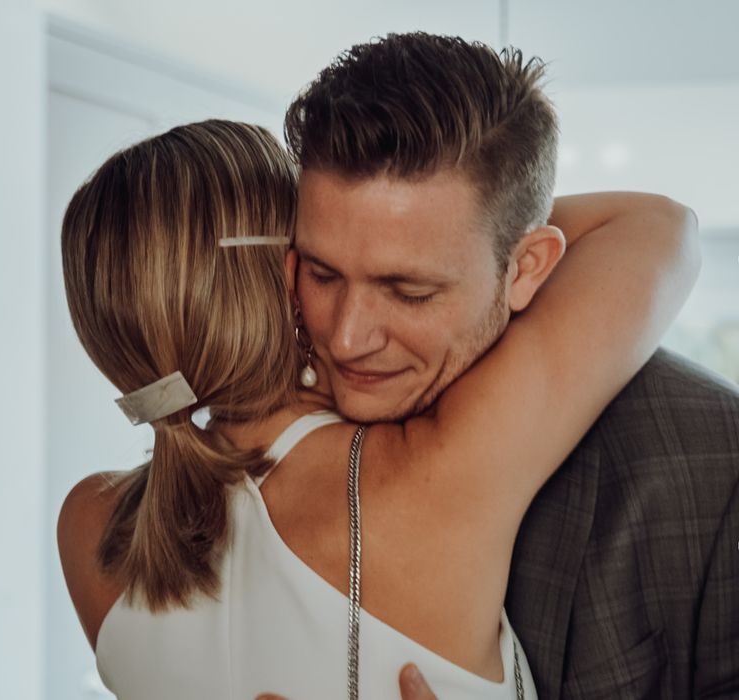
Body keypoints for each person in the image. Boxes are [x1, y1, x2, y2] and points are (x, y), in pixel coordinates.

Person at [56, 81, 696, 700]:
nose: (357, 328)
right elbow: (658, 225)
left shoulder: (86, 527)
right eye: (323, 264)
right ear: (284, 274)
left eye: (404, 285)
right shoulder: (426, 474)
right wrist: (477, 231)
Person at [274, 32, 739, 698]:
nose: (346, 339)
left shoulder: (707, 460)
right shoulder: (246, 438)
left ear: (528, 269)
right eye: (322, 274)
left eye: (409, 290)